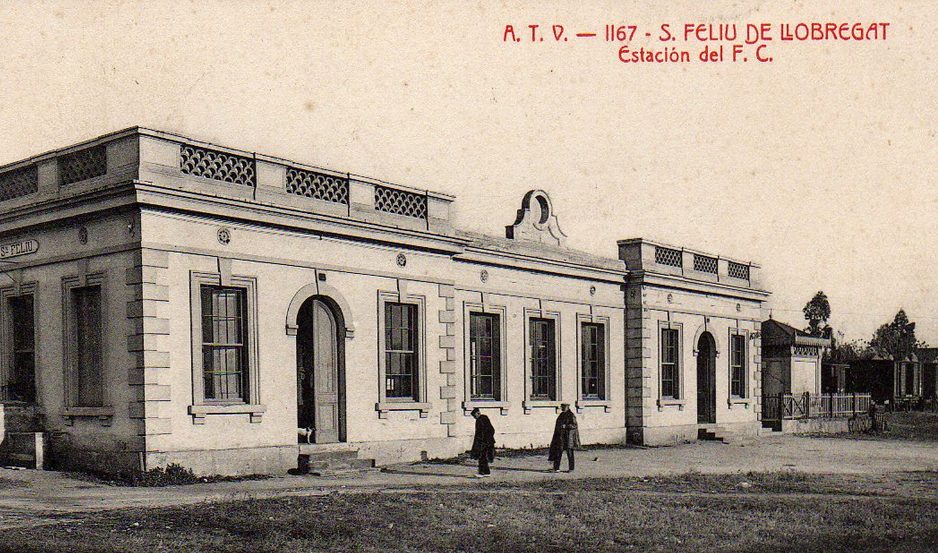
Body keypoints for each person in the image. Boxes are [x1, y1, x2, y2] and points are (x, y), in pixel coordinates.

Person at [548, 403, 580, 472]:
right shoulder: (561, 415)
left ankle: (571, 468)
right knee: (558, 452)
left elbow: (574, 425)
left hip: (568, 438)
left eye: (563, 407)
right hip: (561, 437)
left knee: (570, 453)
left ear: (567, 407)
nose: (562, 408)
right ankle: (556, 468)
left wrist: (566, 426)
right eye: (562, 407)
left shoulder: (571, 415)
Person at [469, 407, 495, 477]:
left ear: (478, 413)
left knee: (481, 457)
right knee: (484, 457)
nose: (474, 418)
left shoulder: (479, 420)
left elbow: (479, 433)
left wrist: (479, 443)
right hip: (489, 441)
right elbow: (492, 430)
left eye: (475, 416)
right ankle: (487, 472)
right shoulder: (485, 418)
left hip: (483, 442)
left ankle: (481, 472)